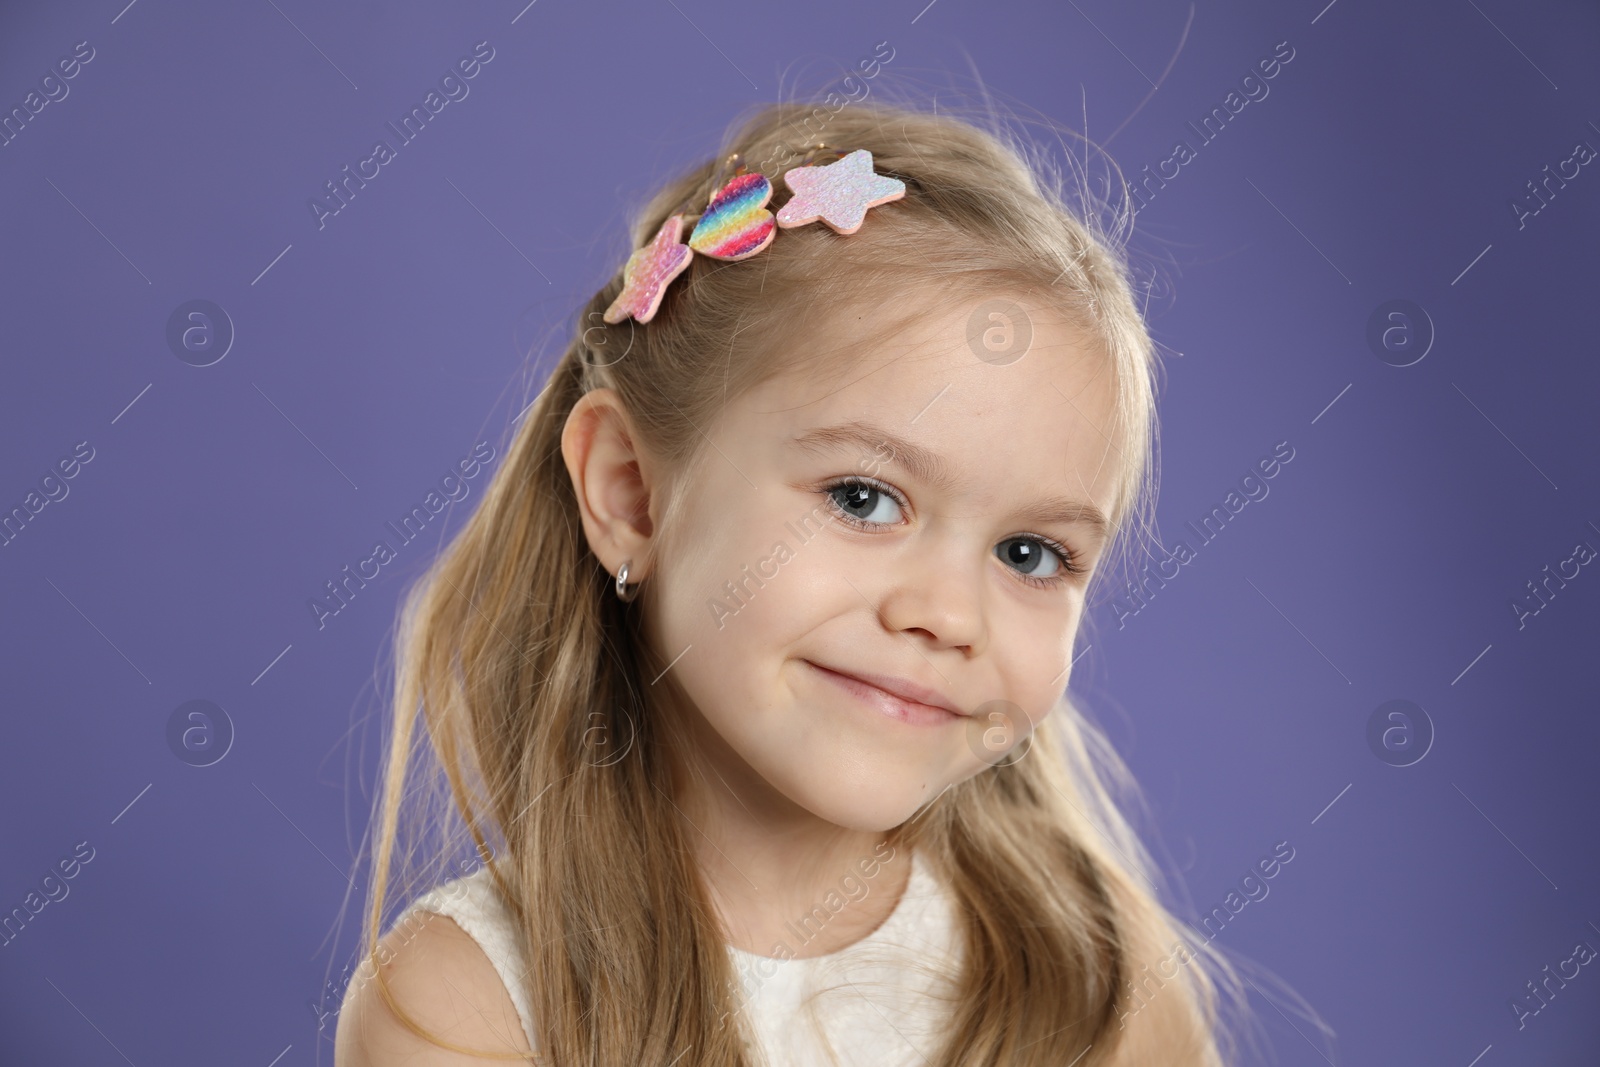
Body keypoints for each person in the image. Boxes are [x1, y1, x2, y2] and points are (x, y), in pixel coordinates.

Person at [334, 96, 1236, 1066]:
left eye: (1028, 553)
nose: (944, 614)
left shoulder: (1098, 980)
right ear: (630, 493)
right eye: (861, 496)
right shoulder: (467, 1006)